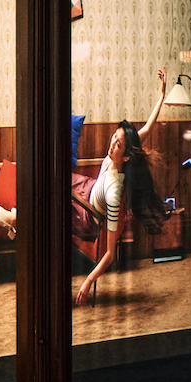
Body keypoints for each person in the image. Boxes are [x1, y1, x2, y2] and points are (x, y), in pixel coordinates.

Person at [74, 67, 171, 304]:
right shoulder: (120, 153)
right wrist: (161, 95)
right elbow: (147, 128)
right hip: (86, 186)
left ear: (126, 156)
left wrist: (88, 281)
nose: (112, 144)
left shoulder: (115, 193)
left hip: (86, 213)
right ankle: (16, 217)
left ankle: (16, 220)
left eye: (118, 144)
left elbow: (109, 253)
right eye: (114, 137)